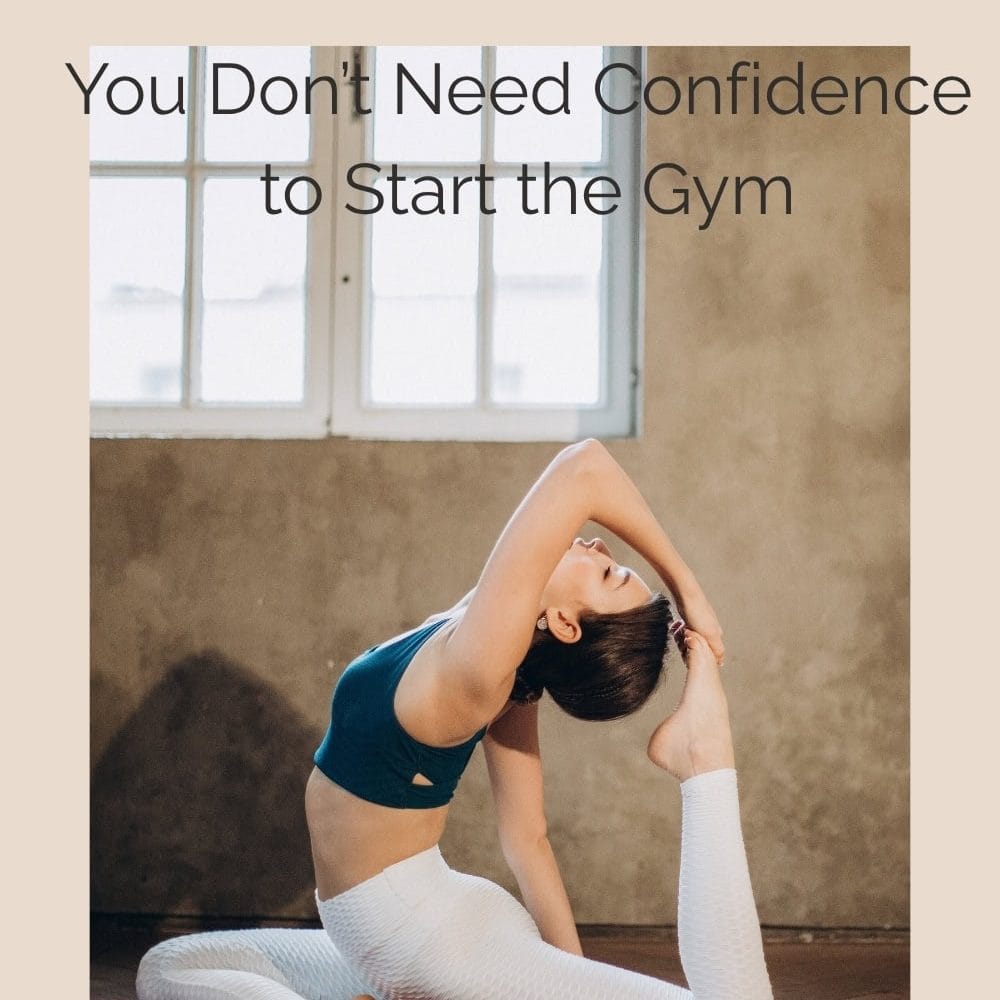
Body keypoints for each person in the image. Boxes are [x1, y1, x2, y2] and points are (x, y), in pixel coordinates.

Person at [136, 439, 773, 1000]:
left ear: (567, 623)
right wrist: (570, 978)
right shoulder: (503, 659)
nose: (600, 544)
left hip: (420, 940)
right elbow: (527, 838)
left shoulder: (481, 668)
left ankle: (705, 755)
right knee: (170, 967)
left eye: (608, 573)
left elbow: (585, 468)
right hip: (412, 923)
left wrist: (692, 593)